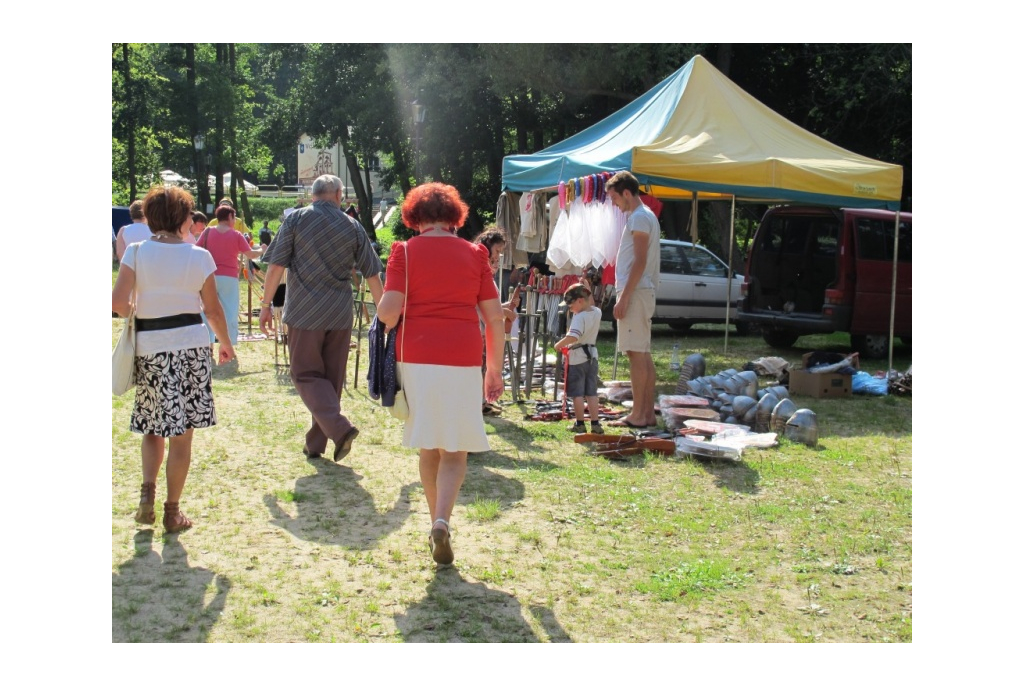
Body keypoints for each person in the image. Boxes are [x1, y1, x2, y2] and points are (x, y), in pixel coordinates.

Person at [376, 182, 504, 566]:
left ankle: (434, 521)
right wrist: (493, 369)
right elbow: (494, 318)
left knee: (428, 444)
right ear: (454, 217)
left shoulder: (404, 252)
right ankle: (443, 520)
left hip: (416, 356)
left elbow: (388, 311)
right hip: (463, 356)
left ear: (415, 217)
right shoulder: (475, 253)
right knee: (455, 448)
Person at [111, 186, 235, 534]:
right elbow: (212, 310)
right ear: (184, 218)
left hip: (150, 346)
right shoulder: (198, 256)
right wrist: (225, 344)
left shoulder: (135, 252)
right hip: (191, 348)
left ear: (149, 218)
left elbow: (118, 302)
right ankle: (173, 511)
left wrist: (138, 309)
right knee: (183, 434)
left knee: (153, 427)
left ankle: (147, 494)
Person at [259, 174, 383, 463]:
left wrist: (266, 304)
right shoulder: (352, 225)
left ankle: (339, 430)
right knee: (330, 380)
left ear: (313, 195)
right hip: (339, 313)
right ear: (339, 195)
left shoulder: (295, 220)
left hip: (304, 312)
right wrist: (384, 314)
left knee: (304, 374)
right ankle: (315, 444)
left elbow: (276, 266)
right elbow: (373, 274)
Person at [605, 170, 660, 428]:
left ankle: (639, 415)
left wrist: (624, 297)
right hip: (641, 291)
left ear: (627, 193)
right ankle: (646, 414)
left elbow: (639, 261)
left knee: (636, 354)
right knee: (642, 353)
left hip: (636, 292)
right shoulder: (645, 216)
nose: (615, 204)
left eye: (615, 198)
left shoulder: (639, 218)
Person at [197, 205, 264, 350]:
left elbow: (197, 249)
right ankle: (229, 342)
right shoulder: (236, 235)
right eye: (234, 217)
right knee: (230, 310)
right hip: (229, 277)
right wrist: (262, 250)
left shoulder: (208, 231)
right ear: (229, 217)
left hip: (209, 276)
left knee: (207, 310)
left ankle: (207, 342)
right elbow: (251, 254)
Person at [474, 228, 520, 415]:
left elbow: (487, 304)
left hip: (485, 329)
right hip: (479, 329)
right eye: (498, 251)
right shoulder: (478, 270)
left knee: (484, 368)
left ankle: (483, 402)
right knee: (481, 369)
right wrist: (504, 310)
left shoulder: (485, 270)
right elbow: (479, 305)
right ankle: (480, 405)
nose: (499, 256)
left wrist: (506, 306)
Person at [553, 283, 603, 434]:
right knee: (592, 393)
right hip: (592, 356)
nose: (569, 307)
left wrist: (558, 345)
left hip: (578, 357)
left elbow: (573, 335)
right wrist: (586, 285)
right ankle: (596, 424)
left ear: (580, 300)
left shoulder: (579, 317)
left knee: (577, 393)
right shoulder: (596, 312)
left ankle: (580, 423)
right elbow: (591, 303)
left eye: (571, 303)